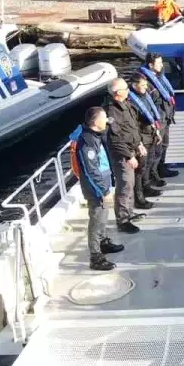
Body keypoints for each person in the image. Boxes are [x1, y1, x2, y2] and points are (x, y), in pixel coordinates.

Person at [70, 107, 124, 271]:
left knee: (103, 216)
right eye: (104, 118)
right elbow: (90, 170)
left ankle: (104, 242)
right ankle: (96, 257)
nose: (107, 120)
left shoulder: (96, 136)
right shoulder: (86, 141)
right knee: (97, 220)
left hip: (105, 184)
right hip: (97, 190)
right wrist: (104, 191)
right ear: (95, 121)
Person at [101, 79, 146, 231]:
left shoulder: (126, 105)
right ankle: (122, 220)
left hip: (132, 149)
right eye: (125, 88)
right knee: (124, 185)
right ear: (117, 93)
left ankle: (129, 212)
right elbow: (115, 138)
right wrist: (129, 156)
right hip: (122, 154)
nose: (128, 90)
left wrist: (139, 144)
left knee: (130, 183)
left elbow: (132, 128)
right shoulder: (111, 111)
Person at [140, 53, 180, 179]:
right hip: (158, 119)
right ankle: (153, 174)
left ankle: (161, 167)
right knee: (156, 149)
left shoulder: (159, 76)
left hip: (166, 117)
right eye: (159, 63)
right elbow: (146, 103)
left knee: (164, 144)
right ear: (151, 65)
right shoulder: (145, 82)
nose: (162, 65)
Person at [129, 74, 166, 195]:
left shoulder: (145, 95)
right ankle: (140, 193)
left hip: (151, 132)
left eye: (146, 84)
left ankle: (147, 184)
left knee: (150, 160)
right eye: (143, 85)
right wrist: (139, 143)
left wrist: (157, 131)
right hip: (142, 136)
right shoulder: (131, 102)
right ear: (135, 85)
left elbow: (151, 114)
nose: (146, 87)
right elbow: (133, 123)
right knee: (141, 166)